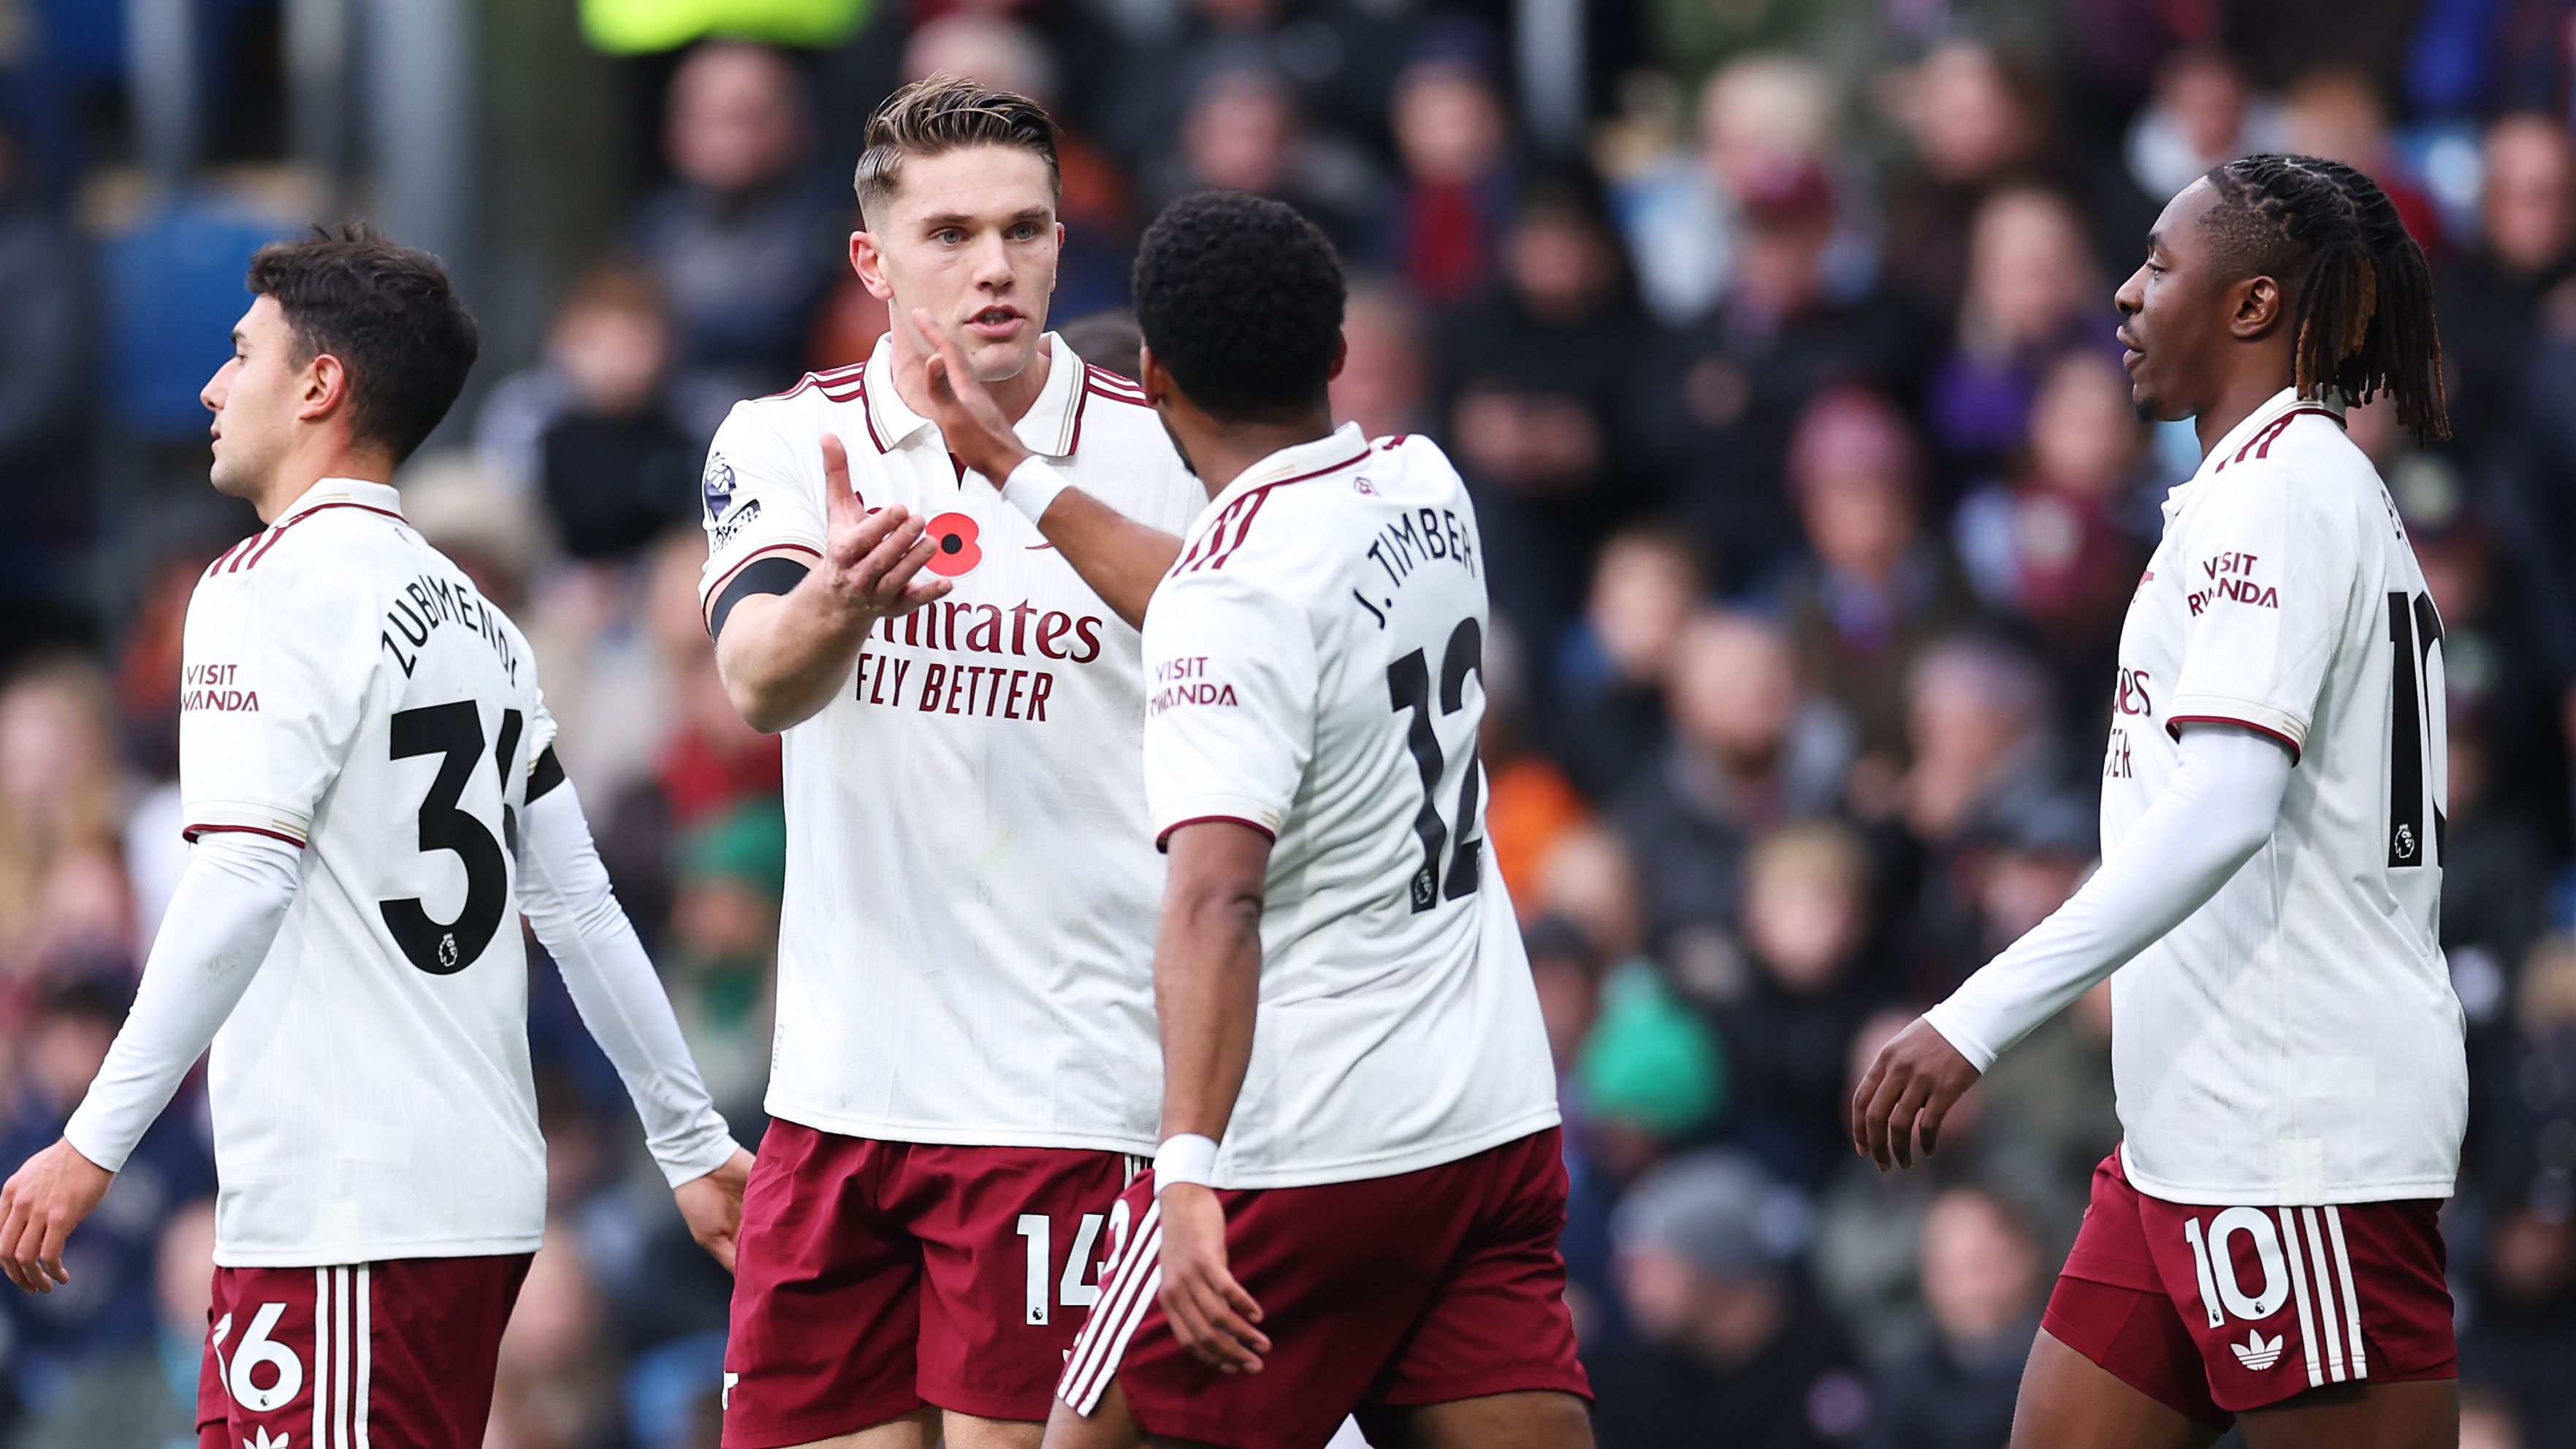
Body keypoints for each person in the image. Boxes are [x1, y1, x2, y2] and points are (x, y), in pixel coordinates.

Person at [0, 228, 752, 1447]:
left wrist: (91, 1143)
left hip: (350, 1212)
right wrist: (685, 1135)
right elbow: (579, 908)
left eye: (239, 354)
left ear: (318, 384)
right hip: (465, 1201)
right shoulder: (482, 619)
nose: (209, 386)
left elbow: (243, 875)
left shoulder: (260, 586)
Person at [909, 188, 1590, 1449]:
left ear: (1153, 376)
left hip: (1311, 1139)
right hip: (1490, 1118)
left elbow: (1216, 895)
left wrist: (1183, 1170)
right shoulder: (1422, 484)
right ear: (1336, 355)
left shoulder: (1240, 588)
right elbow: (1230, 601)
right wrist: (1011, 467)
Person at [1853, 153, 2466, 1448]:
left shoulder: (2282, 495)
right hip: (2186, 1132)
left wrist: (1974, 1019)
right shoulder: (2258, 493)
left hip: (2294, 1142)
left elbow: (2229, 802)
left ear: (2250, 307)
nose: (2124, 296)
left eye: (2158, 264)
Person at [695, 76, 1203, 1449]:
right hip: (836, 1095)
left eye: (1024, 231)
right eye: (951, 234)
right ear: (872, 259)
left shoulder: (1161, 452)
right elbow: (757, 681)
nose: (994, 267)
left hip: (1068, 1096)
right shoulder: (784, 438)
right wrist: (839, 603)